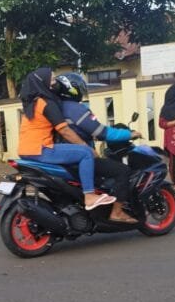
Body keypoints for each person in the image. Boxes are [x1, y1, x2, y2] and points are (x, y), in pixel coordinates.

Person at [17, 67, 115, 211]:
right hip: (41, 149)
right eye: (52, 79)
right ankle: (89, 196)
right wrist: (85, 146)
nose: (55, 82)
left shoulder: (33, 103)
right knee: (85, 153)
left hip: (25, 150)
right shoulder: (46, 103)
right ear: (43, 82)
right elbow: (64, 130)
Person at [52, 73, 141, 224]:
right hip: (79, 158)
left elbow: (82, 131)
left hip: (61, 157)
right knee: (123, 171)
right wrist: (129, 134)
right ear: (73, 90)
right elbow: (101, 132)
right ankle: (117, 212)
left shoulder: (56, 108)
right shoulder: (76, 109)